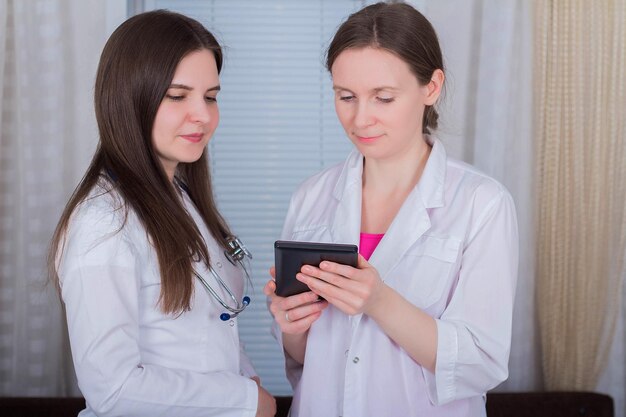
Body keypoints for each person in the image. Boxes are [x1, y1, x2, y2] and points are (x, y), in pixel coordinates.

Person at [264, 2, 519, 416]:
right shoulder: (311, 197)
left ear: (431, 87)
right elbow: (306, 360)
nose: (361, 119)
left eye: (383, 98)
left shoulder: (481, 203)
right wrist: (291, 324)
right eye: (346, 96)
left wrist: (380, 302)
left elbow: (480, 362)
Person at [48, 10, 276, 417]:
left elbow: (209, 322)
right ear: (130, 96)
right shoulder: (104, 223)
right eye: (178, 96)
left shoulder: (183, 201)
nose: (203, 115)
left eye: (211, 96)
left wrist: (245, 378)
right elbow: (112, 389)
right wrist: (243, 400)